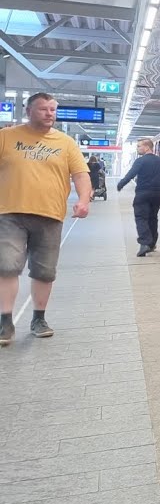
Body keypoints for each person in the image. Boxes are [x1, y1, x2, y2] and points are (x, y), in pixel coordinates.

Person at [0, 93, 92, 344]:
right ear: (28, 110)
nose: (49, 113)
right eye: (43, 109)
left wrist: (83, 201)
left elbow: (81, 174)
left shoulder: (65, 143)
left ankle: (38, 318)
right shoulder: (6, 136)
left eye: (52, 109)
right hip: (9, 212)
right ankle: (5, 321)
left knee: (44, 271)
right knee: (6, 266)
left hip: (50, 214)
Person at [117, 139, 160, 258]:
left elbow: (131, 174)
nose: (137, 148)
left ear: (147, 147)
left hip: (142, 194)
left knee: (141, 218)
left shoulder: (140, 161)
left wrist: (120, 184)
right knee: (153, 218)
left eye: (139, 146)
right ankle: (152, 244)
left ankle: (144, 243)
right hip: (157, 194)